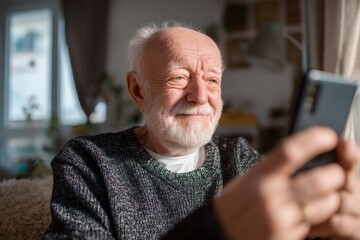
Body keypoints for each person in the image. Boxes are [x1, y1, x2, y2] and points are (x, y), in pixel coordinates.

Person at [44, 22, 360, 240]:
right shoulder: (88, 163)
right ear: (138, 90)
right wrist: (218, 229)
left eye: (212, 81)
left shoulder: (239, 157)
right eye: (179, 78)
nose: (200, 95)